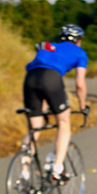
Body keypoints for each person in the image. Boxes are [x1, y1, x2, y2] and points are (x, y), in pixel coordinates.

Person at [21, 24, 89, 183]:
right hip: (52, 78)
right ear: (78, 40)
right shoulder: (80, 53)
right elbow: (80, 84)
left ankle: (23, 172)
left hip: (30, 79)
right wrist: (82, 106)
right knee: (64, 123)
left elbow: (38, 71)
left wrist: (44, 108)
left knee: (34, 129)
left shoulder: (47, 46)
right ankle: (57, 168)